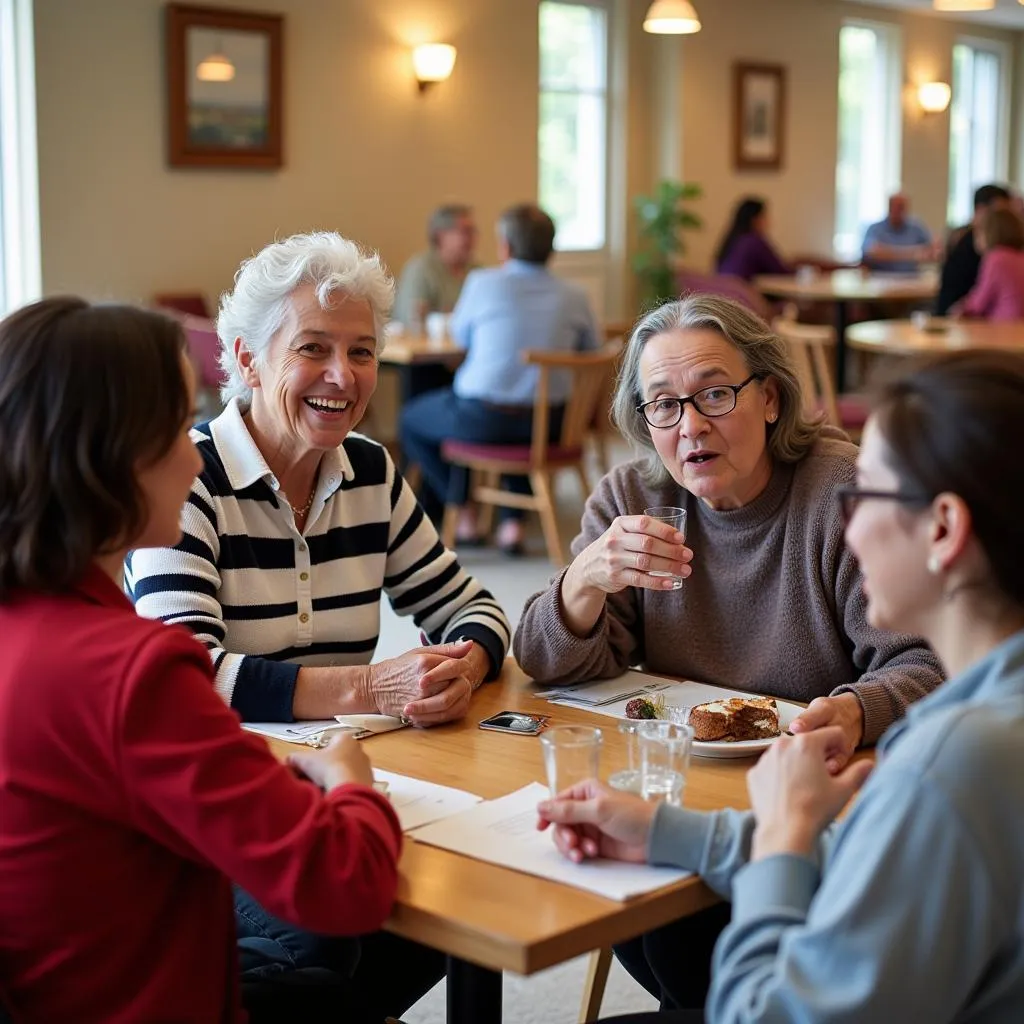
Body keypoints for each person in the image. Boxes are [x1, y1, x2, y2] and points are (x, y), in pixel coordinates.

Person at [539, 349, 1024, 1024]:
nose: (846, 523)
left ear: (943, 529)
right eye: (664, 405)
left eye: (867, 494)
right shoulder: (985, 718)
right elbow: (873, 861)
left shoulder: (948, 762)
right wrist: (666, 831)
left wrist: (786, 833)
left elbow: (761, 1013)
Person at [0, 297, 435, 1023]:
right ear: (108, 456)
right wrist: (349, 779)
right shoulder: (132, 670)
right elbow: (342, 881)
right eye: (175, 428)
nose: (194, 452)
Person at [128, 231, 510, 729]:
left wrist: (464, 669)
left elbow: (475, 608)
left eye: (361, 352)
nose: (344, 377)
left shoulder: (370, 471)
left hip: (347, 766)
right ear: (248, 360)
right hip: (215, 774)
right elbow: (182, 680)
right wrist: (371, 686)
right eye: (313, 348)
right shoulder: (185, 480)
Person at [399, 203, 599, 555]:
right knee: (525, 406)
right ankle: (512, 526)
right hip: (552, 423)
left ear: (504, 245)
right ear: (551, 249)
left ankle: (463, 509)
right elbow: (592, 350)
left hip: (484, 420)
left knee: (411, 419)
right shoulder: (576, 295)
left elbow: (459, 337)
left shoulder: (482, 283)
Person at [391, 203, 477, 329]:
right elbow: (411, 320)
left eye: (472, 231)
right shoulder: (420, 269)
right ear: (440, 235)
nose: (471, 238)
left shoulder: (477, 270)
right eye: (464, 231)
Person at [935, 183, 1011, 315]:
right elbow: (973, 302)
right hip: (964, 323)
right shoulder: (966, 246)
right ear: (980, 210)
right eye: (999, 214)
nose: (1005, 220)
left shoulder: (1002, 251)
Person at [957, 206, 1024, 322]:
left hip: (1001, 330)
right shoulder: (1020, 256)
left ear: (990, 233)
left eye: (979, 232)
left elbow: (978, 303)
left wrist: (960, 308)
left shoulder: (995, 259)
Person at [714, 197, 791, 282]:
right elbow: (780, 271)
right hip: (744, 293)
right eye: (765, 217)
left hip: (724, 292)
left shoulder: (732, 240)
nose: (769, 221)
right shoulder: (754, 242)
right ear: (755, 219)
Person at [861, 193, 936, 273]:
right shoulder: (875, 228)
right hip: (881, 278)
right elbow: (871, 252)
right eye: (896, 207)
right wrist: (914, 253)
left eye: (902, 207)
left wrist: (887, 252)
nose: (899, 211)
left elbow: (933, 251)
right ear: (889, 207)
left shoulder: (916, 227)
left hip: (911, 278)